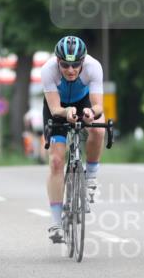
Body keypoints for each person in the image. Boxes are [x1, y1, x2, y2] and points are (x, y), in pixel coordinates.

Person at [42, 36, 105, 244]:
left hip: (84, 102)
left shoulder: (94, 67)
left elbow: (98, 107)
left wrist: (90, 112)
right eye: (65, 65)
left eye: (76, 64)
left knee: (98, 130)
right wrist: (66, 112)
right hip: (58, 107)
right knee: (56, 161)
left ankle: (91, 178)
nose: (71, 70)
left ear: (83, 61)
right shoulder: (48, 70)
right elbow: (55, 109)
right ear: (57, 61)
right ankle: (55, 221)